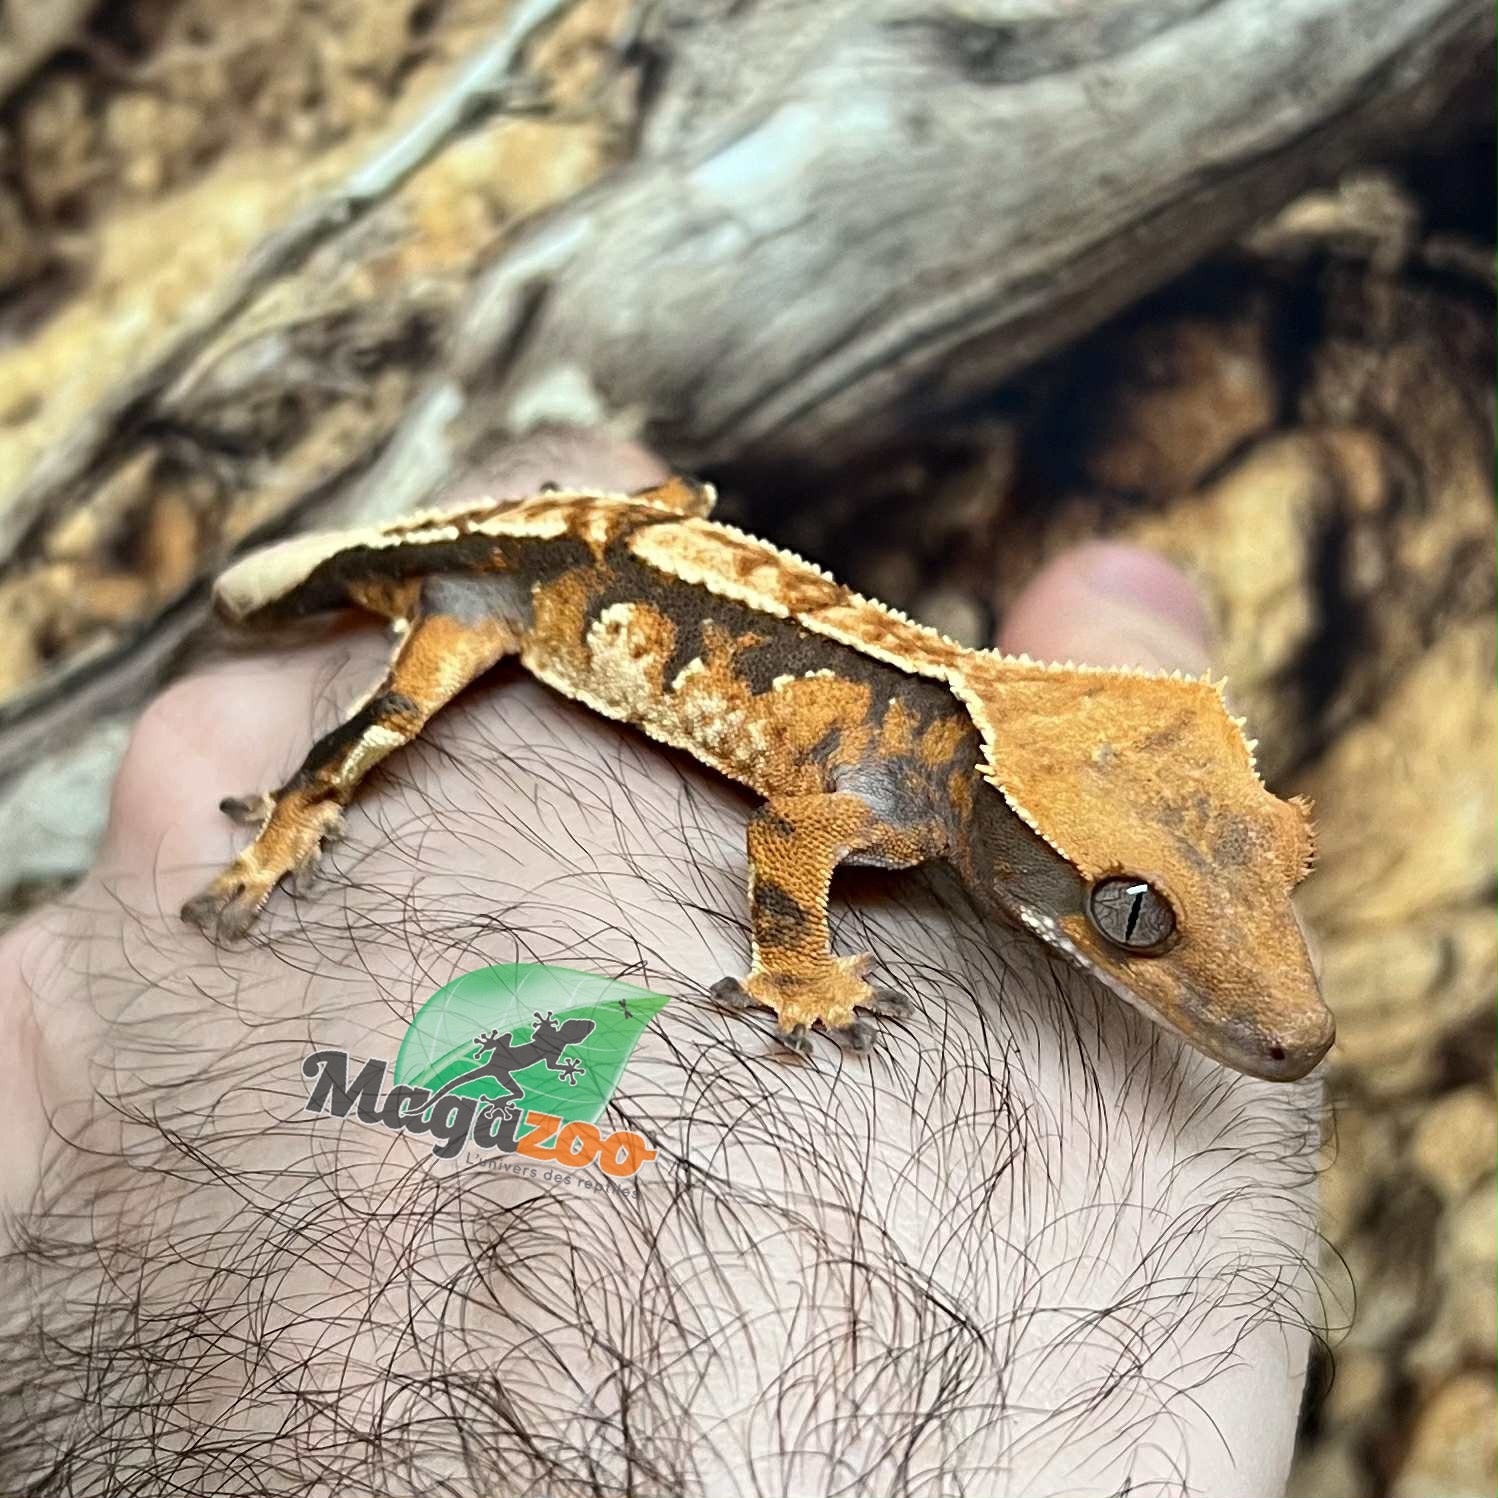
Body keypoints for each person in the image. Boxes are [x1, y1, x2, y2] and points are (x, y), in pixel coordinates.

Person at [0, 432, 1325, 1496]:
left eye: (1285, 860)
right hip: (499, 582)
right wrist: (795, 963)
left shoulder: (972, 794)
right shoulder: (904, 799)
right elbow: (792, 825)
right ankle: (293, 813)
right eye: (1137, 920)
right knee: (397, 713)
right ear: (1034, 841)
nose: (1285, 1027)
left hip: (612, 529)